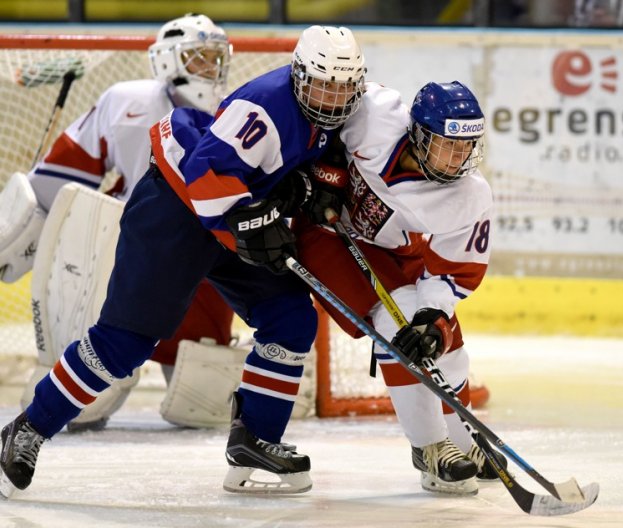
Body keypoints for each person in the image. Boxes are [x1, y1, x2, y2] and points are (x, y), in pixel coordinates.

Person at [0, 24, 366, 498]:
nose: (331, 99)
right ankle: (27, 428)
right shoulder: (265, 106)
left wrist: (311, 190)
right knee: (125, 343)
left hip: (234, 211)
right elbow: (204, 177)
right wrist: (256, 226)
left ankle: (256, 441)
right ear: (299, 75)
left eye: (342, 89)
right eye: (322, 85)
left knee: (291, 317)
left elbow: (303, 168)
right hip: (175, 208)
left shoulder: (337, 110)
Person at [0, 13, 235, 432]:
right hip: (131, 252)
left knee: (203, 403)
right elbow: (64, 177)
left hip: (204, 261)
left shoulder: (236, 113)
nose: (211, 69)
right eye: (199, 58)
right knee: (89, 402)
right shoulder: (128, 101)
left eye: (216, 58)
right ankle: (81, 381)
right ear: (167, 60)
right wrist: (23, 228)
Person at [293, 80, 505, 495]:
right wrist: (322, 179)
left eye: (467, 147)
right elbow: (323, 118)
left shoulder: (469, 195)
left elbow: (451, 272)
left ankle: (466, 442)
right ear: (419, 136)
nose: (459, 158)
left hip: (395, 247)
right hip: (329, 235)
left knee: (446, 348)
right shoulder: (373, 114)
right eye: (448, 145)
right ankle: (429, 449)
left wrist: (434, 319)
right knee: (396, 326)